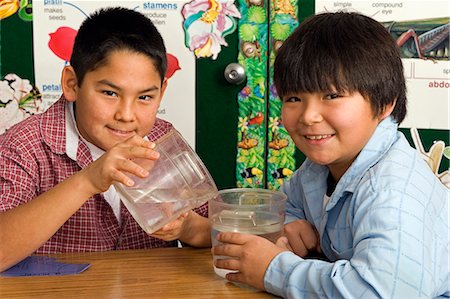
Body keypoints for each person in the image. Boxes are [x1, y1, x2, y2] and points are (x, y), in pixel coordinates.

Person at [212, 11, 449, 298]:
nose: (309, 116)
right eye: (294, 98)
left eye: (332, 96)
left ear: (385, 102)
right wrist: (289, 224)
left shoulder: (389, 190)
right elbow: (290, 205)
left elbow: (381, 292)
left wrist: (273, 269)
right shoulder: (320, 168)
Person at [0, 7, 211, 272]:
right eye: (110, 93)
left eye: (145, 97)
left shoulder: (161, 139)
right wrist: (87, 181)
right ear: (72, 84)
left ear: (162, 91)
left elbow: (214, 232)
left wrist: (187, 227)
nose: (126, 115)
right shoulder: (24, 146)